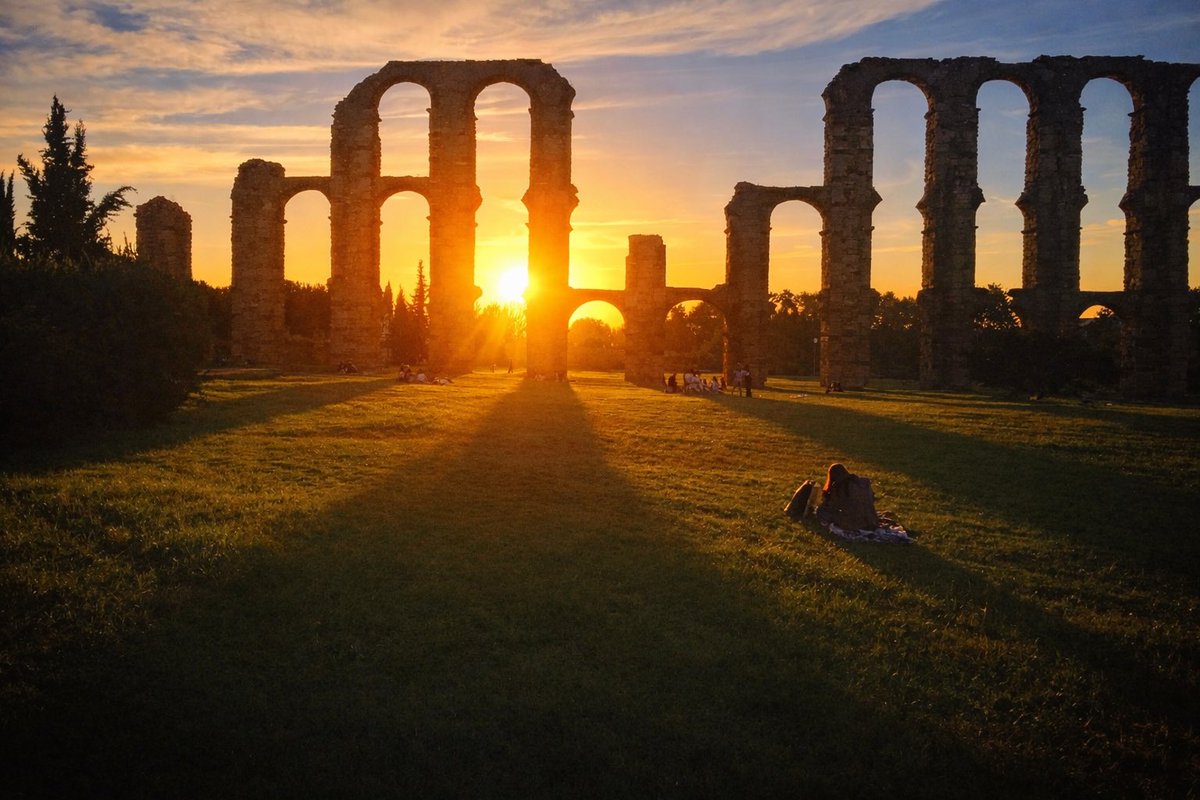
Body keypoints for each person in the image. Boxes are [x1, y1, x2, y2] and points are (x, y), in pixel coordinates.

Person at [815, 462, 878, 531]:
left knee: (821, 511)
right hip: (872, 520)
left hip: (854, 523)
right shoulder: (862, 482)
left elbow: (835, 506)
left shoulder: (840, 486)